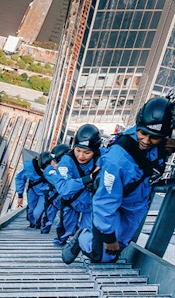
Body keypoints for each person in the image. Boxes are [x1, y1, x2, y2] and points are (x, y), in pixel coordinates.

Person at [62, 96, 175, 265]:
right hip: (116, 202)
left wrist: (164, 147)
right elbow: (104, 202)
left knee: (116, 250)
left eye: (154, 137)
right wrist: (108, 237)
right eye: (143, 133)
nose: (145, 140)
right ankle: (82, 237)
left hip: (135, 205)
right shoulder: (116, 160)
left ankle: (105, 244)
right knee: (100, 255)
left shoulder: (158, 143)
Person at [54, 124, 101, 249]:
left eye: (87, 152)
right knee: (65, 231)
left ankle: (81, 248)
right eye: (78, 150)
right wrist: (88, 178)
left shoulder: (101, 159)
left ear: (95, 151)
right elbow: (63, 188)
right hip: (71, 202)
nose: (81, 156)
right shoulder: (66, 162)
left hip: (89, 205)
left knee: (86, 234)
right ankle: (61, 242)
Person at [15, 151, 53, 228]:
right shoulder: (29, 166)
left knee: (36, 213)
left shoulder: (54, 167)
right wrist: (20, 195)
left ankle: (38, 221)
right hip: (33, 190)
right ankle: (32, 223)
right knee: (31, 211)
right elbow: (20, 178)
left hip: (45, 192)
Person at [40, 143, 70, 234]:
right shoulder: (49, 170)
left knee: (68, 220)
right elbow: (58, 182)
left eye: (55, 161)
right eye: (53, 160)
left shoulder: (70, 167)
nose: (53, 163)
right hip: (54, 198)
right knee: (48, 219)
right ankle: (44, 232)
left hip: (66, 198)